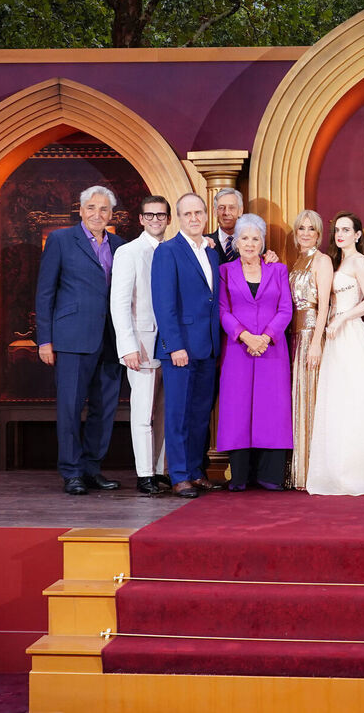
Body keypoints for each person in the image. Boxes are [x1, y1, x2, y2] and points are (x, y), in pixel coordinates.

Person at [35, 186, 126, 495]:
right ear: (81, 210)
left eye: (104, 209)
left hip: (111, 339)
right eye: (91, 208)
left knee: (105, 409)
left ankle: (91, 469)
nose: (97, 214)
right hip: (72, 338)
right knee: (70, 408)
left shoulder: (120, 245)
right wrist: (44, 340)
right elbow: (45, 292)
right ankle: (71, 472)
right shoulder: (61, 240)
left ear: (111, 214)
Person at [306, 212, 364, 496]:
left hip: (350, 334)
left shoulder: (359, 261)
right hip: (335, 335)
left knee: (357, 397)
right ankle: (338, 469)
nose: (340, 234)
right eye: (337, 230)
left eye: (347, 230)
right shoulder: (334, 261)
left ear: (358, 235)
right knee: (337, 400)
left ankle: (361, 470)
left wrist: (342, 319)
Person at [151, 193, 224, 499]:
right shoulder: (167, 251)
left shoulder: (211, 253)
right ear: (178, 218)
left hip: (207, 346)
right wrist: (174, 346)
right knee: (178, 414)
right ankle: (179, 475)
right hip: (180, 348)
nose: (194, 218)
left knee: (199, 414)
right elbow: (164, 303)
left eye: (199, 213)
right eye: (187, 214)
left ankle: (195, 471)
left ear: (206, 216)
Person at [217, 214, 294, 491]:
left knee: (272, 408)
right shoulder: (225, 271)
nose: (250, 243)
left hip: (272, 349)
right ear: (236, 242)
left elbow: (286, 308)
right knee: (237, 408)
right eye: (245, 238)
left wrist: (266, 337)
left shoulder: (278, 270)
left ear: (263, 243)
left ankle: (269, 475)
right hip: (237, 349)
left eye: (255, 238)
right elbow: (222, 310)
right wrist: (246, 336)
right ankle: (240, 476)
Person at [109, 195, 171, 494]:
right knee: (143, 411)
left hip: (171, 343)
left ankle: (160, 470)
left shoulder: (171, 251)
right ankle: (144, 474)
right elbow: (119, 303)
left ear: (168, 219)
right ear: (141, 219)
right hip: (142, 342)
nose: (155, 220)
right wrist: (127, 346)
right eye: (150, 215)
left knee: (164, 411)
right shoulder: (128, 252)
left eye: (161, 215)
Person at [286, 209, 332, 491]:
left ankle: (313, 471)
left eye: (311, 229)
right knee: (298, 398)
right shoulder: (296, 260)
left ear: (318, 234)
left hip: (310, 336)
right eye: (301, 228)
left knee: (310, 398)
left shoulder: (322, 260)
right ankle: (298, 469)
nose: (305, 233)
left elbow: (324, 304)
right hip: (294, 336)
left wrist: (316, 342)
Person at [207, 188, 244, 264]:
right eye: (221, 208)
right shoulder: (202, 243)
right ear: (215, 211)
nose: (226, 212)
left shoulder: (253, 243)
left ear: (240, 211)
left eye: (231, 207)